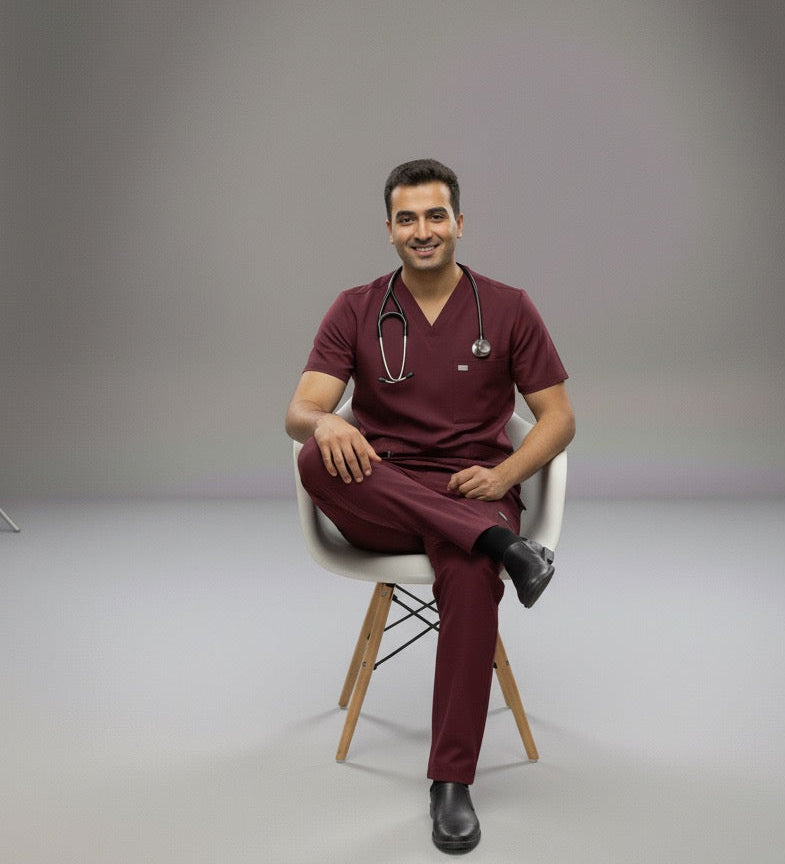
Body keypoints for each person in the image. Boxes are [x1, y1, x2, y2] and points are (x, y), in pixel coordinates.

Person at [285, 158, 574, 854]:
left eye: (435, 216)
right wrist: (324, 423)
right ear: (389, 230)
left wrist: (504, 470)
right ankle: (506, 547)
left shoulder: (509, 308)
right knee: (314, 457)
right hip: (379, 486)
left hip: (474, 485)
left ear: (459, 223)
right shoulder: (356, 308)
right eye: (408, 219)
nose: (423, 231)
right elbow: (302, 408)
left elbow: (558, 418)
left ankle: (451, 784)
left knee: (471, 575)